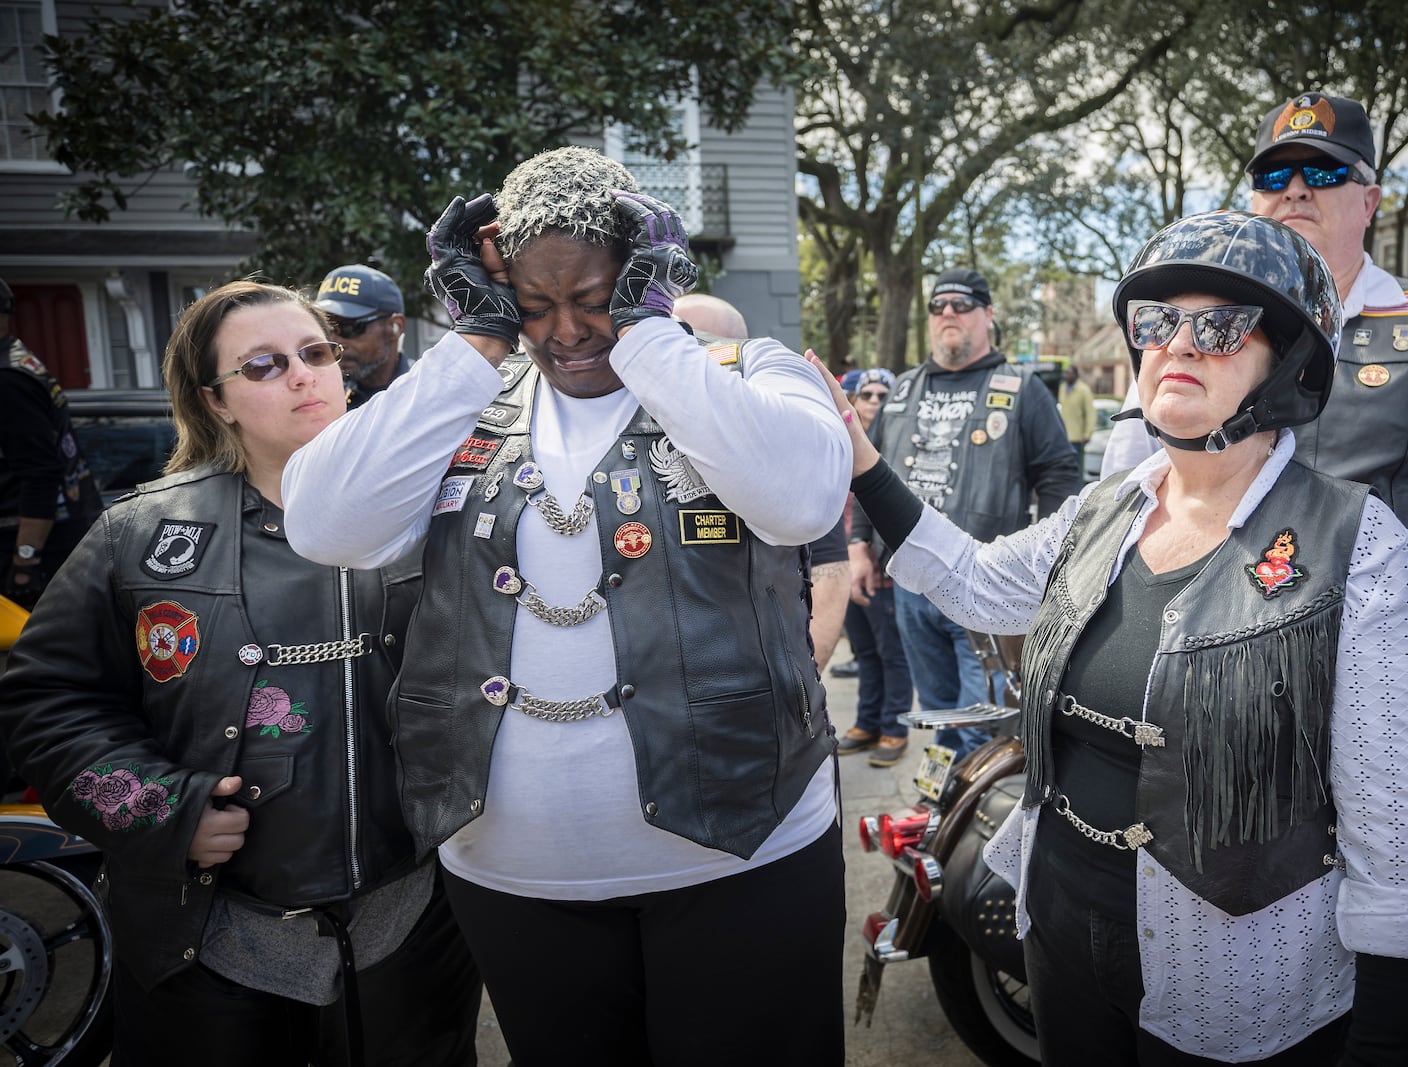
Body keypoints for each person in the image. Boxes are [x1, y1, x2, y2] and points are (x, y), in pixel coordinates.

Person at [826, 210, 1408, 1064]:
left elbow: (1399, 845)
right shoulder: (1107, 508)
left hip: (1238, 977)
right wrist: (863, 460)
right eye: (1157, 322)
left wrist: (1385, 1044)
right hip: (1057, 931)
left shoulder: (1358, 542)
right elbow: (978, 581)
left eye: (1220, 325)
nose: (1180, 343)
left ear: (1286, 363)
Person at [281, 146, 852, 1066]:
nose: (568, 332)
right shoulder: (464, 394)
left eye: (593, 297)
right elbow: (324, 522)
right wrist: (475, 339)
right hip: (513, 881)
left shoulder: (745, 369)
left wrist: (650, 330)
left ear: (644, 275)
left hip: (745, 862)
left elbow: (800, 498)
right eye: (536, 304)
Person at [1099, 91, 1408, 1063]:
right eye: (1272, 174)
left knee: (1405, 1010)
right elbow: (1119, 525)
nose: (1293, 191)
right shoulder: (1192, 334)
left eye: (1322, 172)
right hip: (1208, 751)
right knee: (1206, 1006)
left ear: (1368, 198)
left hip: (1392, 752)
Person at [0, 281, 482, 1065]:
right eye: (263, 365)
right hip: (209, 943)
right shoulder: (139, 535)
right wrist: (164, 811)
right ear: (214, 400)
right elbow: (47, 701)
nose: (303, 375)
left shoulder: (442, 514)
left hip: (414, 928)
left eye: (316, 353)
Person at [850, 267, 1079, 761]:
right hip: (913, 583)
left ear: (988, 315)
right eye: (938, 306)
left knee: (984, 716)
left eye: (962, 304)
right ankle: (942, 808)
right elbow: (870, 469)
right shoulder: (904, 389)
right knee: (938, 710)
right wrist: (858, 544)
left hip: (988, 583)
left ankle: (978, 816)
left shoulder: (1021, 388)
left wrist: (1053, 563)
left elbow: (1059, 476)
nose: (948, 313)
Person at [673, 292, 852, 673]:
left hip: (757, 684)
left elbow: (829, 570)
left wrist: (800, 682)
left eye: (693, 340)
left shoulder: (784, 440)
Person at [0, 276, 103, 608]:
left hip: (32, 549)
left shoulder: (8, 380)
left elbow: (41, 473)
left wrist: (24, 564)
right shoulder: (19, 360)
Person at [834, 367, 916, 765]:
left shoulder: (897, 449)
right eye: (867, 394)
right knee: (865, 650)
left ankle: (894, 727)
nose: (874, 402)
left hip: (883, 565)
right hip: (840, 564)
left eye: (884, 395)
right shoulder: (834, 441)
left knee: (891, 652)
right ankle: (867, 722)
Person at [312, 264, 409, 407]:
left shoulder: (421, 394)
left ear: (395, 327)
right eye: (327, 327)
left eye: (350, 327)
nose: (335, 340)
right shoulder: (314, 394)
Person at [1058, 362, 1097, 465]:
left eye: (1068, 373)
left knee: (1076, 468)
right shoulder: (1062, 388)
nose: (1065, 375)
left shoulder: (1084, 390)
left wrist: (1087, 434)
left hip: (1077, 438)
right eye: (1065, 373)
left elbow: (1090, 413)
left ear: (1075, 375)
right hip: (1063, 437)